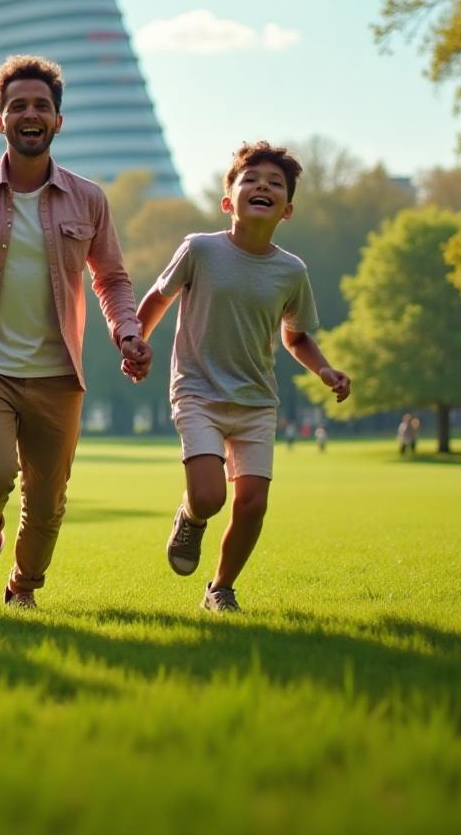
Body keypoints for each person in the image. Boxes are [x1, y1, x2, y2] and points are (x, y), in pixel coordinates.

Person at [0, 54, 152, 611]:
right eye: (17, 105)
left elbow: (112, 278)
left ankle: (23, 590)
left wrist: (128, 332)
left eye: (41, 106)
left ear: (57, 122)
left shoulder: (88, 198)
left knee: (47, 505)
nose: (30, 114)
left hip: (58, 374)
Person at [135, 141, 351, 613]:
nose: (263, 187)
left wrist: (325, 369)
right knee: (210, 496)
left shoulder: (291, 271)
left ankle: (220, 588)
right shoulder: (200, 249)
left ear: (287, 210)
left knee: (252, 503)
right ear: (228, 199)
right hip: (196, 390)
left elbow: (295, 338)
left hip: (256, 399)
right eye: (251, 179)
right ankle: (191, 516)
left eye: (275, 184)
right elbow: (157, 297)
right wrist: (137, 340)